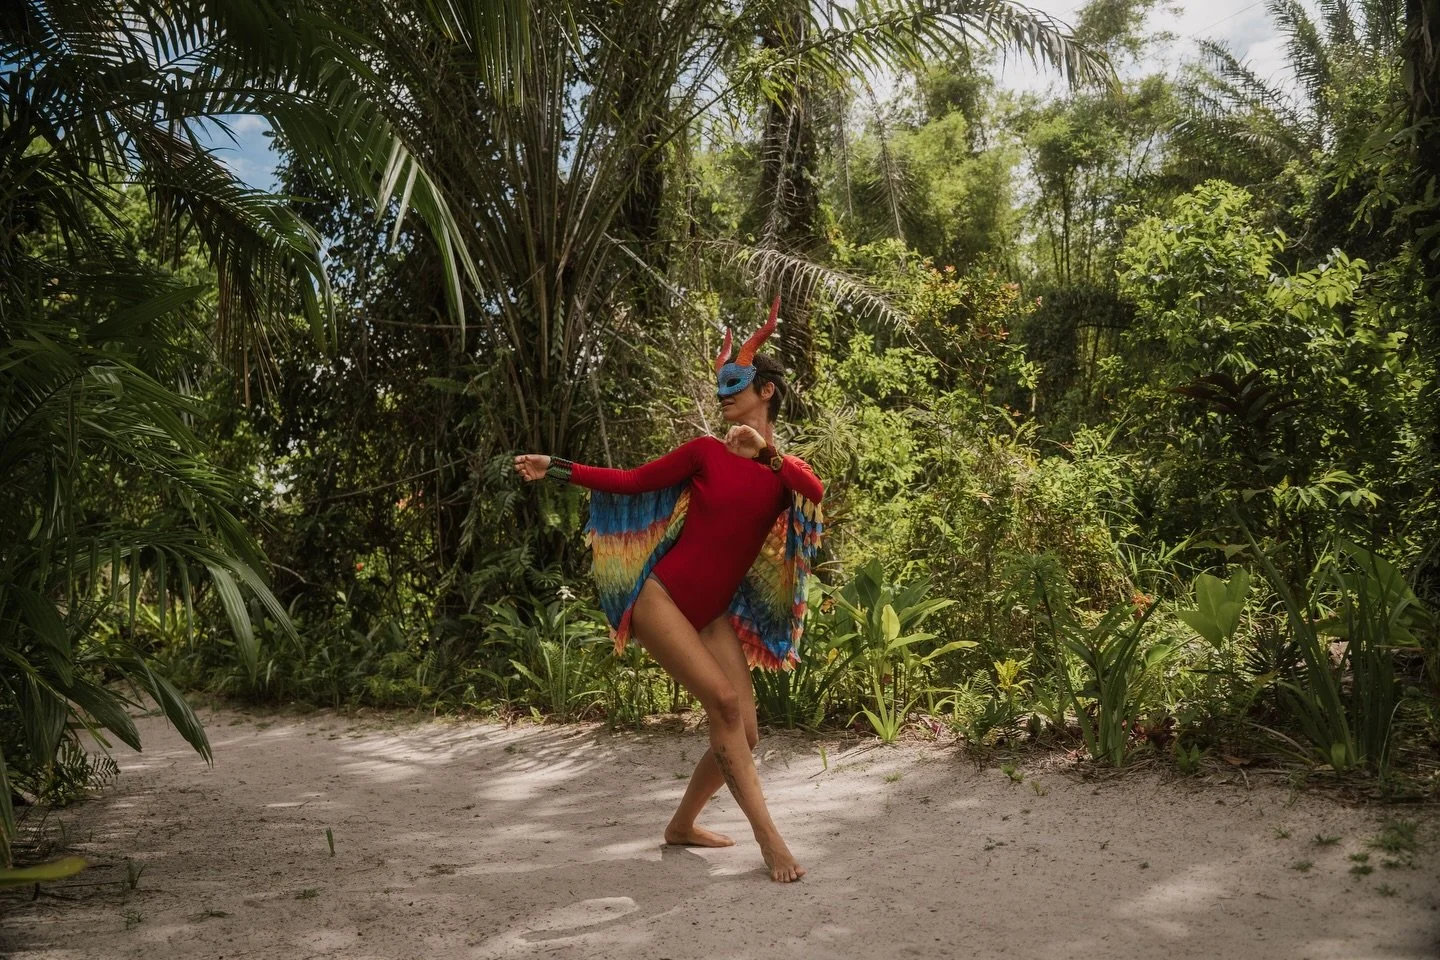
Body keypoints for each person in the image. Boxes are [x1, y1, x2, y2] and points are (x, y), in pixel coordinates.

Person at [513, 297, 824, 883]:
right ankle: (770, 840)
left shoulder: (783, 470)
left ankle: (681, 826)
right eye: (721, 387)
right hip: (662, 601)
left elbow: (816, 491)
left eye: (737, 384)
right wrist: (555, 466)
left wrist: (770, 455)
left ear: (767, 392)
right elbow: (631, 482)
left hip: (713, 616)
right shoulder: (705, 451)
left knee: (747, 733)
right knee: (726, 706)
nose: (724, 394)